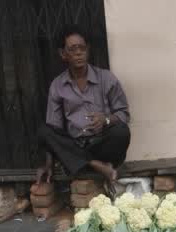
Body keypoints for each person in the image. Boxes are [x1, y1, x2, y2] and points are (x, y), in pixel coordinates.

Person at [35, 25, 131, 186]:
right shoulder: (58, 85)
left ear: (88, 50)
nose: (79, 53)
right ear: (63, 54)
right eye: (73, 49)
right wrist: (48, 164)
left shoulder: (106, 78)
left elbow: (124, 114)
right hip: (75, 145)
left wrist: (106, 119)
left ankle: (89, 163)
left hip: (103, 146)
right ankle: (96, 165)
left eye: (82, 48)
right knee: (44, 132)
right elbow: (54, 130)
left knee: (121, 131)